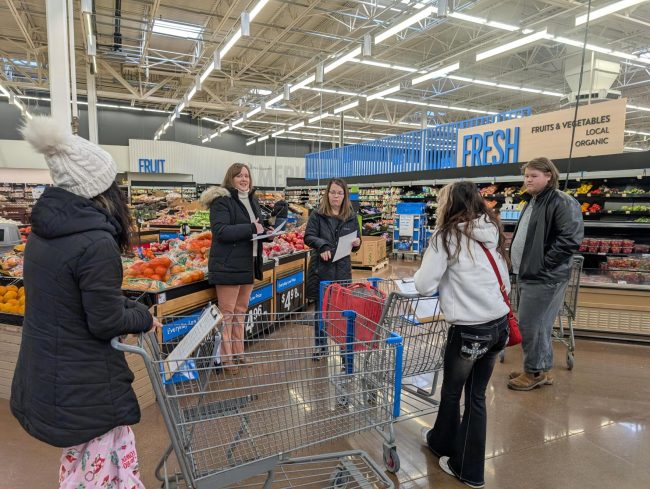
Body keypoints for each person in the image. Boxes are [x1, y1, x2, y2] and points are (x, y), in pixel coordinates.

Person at [11, 116, 159, 488]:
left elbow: (73, 301)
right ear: (101, 190)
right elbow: (105, 319)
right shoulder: (95, 241)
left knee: (79, 471)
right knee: (105, 472)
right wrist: (143, 315)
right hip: (86, 385)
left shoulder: (45, 233)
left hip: (50, 375)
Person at [414, 181, 511, 489]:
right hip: (498, 324)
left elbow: (423, 284)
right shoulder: (491, 229)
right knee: (477, 396)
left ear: (451, 204)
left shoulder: (446, 237)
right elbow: (503, 280)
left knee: (454, 392)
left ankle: (467, 469)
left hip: (469, 330)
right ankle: (442, 443)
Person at [508, 157, 583, 391]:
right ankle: (541, 368)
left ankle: (535, 373)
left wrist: (543, 264)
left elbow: (570, 239)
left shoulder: (562, 202)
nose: (528, 180)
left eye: (534, 176)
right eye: (526, 176)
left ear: (549, 176)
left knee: (532, 324)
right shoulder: (534, 200)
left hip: (543, 276)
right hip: (529, 274)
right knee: (539, 324)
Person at [200, 163, 267, 374]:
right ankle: (226, 358)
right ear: (230, 178)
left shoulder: (252, 200)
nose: (244, 179)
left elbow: (257, 227)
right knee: (227, 314)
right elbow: (221, 231)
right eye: (239, 176)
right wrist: (251, 228)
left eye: (246, 176)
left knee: (241, 312)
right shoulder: (222, 201)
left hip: (248, 263)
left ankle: (239, 352)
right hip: (228, 264)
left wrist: (267, 231)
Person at [305, 178, 361, 358]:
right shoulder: (317, 215)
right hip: (321, 270)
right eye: (333, 192)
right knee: (321, 311)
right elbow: (309, 236)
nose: (336, 196)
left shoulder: (351, 216)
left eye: (339, 193)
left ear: (344, 196)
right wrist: (322, 246)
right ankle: (321, 347)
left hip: (343, 269)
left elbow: (358, 238)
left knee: (342, 312)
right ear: (327, 194)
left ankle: (343, 348)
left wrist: (358, 242)